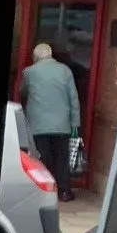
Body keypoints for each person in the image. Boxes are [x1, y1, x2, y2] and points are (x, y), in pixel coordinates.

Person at [19, 41, 80, 201]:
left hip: (38, 125)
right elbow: (73, 98)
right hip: (62, 125)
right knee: (62, 158)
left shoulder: (29, 72)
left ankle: (43, 192)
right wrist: (75, 124)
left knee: (42, 159)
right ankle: (64, 191)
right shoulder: (65, 70)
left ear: (35, 57)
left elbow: (22, 92)